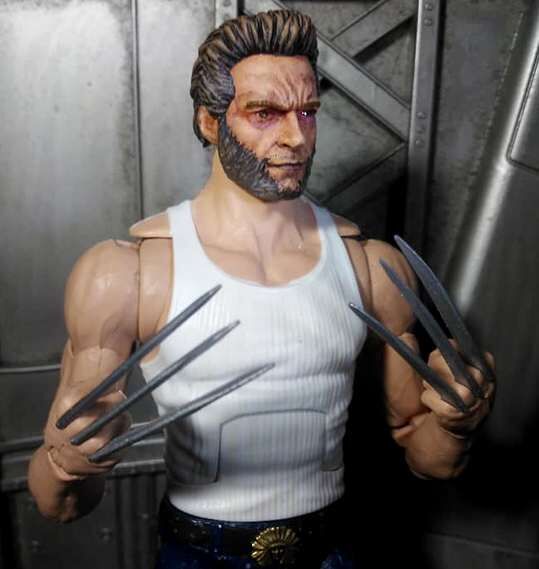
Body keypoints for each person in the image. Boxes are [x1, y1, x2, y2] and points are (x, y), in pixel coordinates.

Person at [28, 9, 494, 568]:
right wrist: (64, 462)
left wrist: (454, 422)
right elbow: (60, 504)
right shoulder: (130, 275)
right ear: (209, 122)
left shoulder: (370, 266)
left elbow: (428, 457)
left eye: (307, 112)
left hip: (330, 549)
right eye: (265, 113)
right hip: (199, 553)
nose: (296, 137)